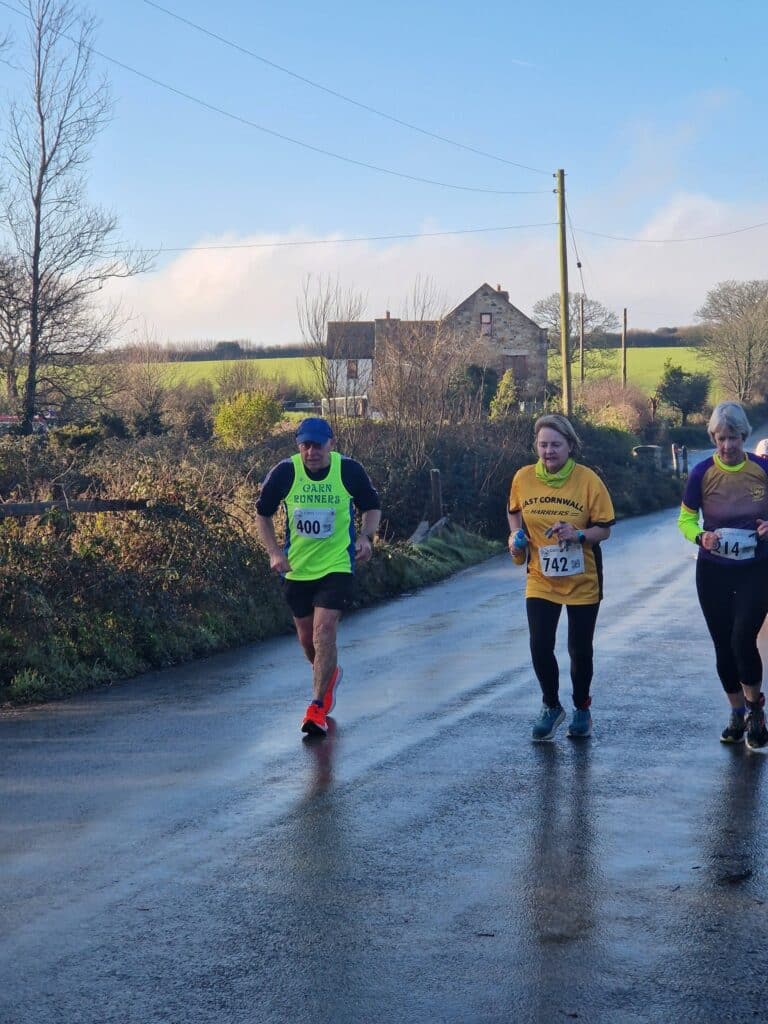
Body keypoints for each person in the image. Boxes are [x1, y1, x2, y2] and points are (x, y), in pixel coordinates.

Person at [256, 417, 381, 737]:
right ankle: (329, 675)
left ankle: (316, 706)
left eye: (317, 445)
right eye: (305, 445)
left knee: (324, 632)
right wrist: (274, 552)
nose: (311, 452)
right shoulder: (285, 472)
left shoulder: (349, 470)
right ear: (298, 446)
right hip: (297, 569)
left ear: (331, 444)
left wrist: (366, 536)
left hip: (337, 565)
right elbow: (263, 514)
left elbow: (372, 506)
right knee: (307, 639)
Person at [507, 414, 615, 742]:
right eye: (543, 445)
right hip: (541, 577)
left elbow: (605, 529)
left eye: (556, 444)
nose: (549, 451)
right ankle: (551, 705)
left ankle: (581, 708)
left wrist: (579, 534)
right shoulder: (523, 478)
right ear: (536, 447)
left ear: (570, 445)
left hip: (583, 579)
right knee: (540, 645)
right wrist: (516, 536)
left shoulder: (587, 480)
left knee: (579, 649)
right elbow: (514, 510)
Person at [678, 401, 768, 750]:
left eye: (733, 438)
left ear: (744, 436)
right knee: (722, 644)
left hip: (756, 567)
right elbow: (685, 519)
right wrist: (700, 535)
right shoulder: (701, 473)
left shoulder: (761, 468)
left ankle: (754, 709)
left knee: (743, 637)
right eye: (720, 439)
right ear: (713, 438)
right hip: (713, 569)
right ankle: (735, 713)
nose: (727, 446)